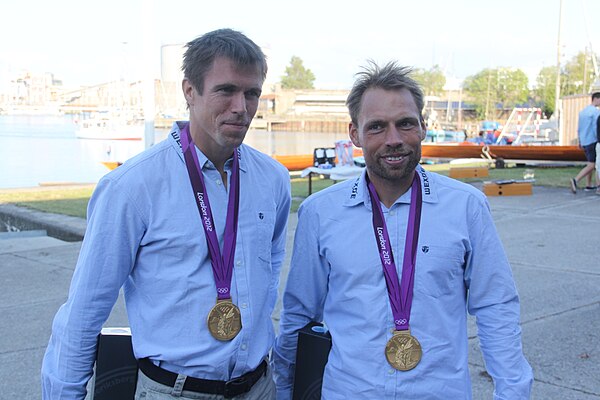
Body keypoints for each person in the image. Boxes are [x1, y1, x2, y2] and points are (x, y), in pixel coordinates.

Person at [41, 28, 291, 399]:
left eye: (251, 92)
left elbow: (268, 272)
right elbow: (84, 310)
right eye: (226, 90)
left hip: (258, 387)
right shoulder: (132, 186)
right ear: (189, 91)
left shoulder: (273, 179)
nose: (241, 106)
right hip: (173, 391)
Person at [273, 61, 533, 399]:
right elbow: (299, 313)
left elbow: (495, 305)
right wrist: (283, 388)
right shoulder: (320, 213)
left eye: (405, 124)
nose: (393, 140)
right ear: (355, 133)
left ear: (423, 126)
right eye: (377, 126)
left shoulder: (466, 206)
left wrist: (512, 391)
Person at [570, 92, 600, 193]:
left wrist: (579, 140)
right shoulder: (595, 112)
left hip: (584, 140)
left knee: (589, 162)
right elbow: (596, 127)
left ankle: (588, 184)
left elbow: (579, 127)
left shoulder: (583, 111)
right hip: (592, 140)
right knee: (593, 164)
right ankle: (576, 180)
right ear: (596, 99)